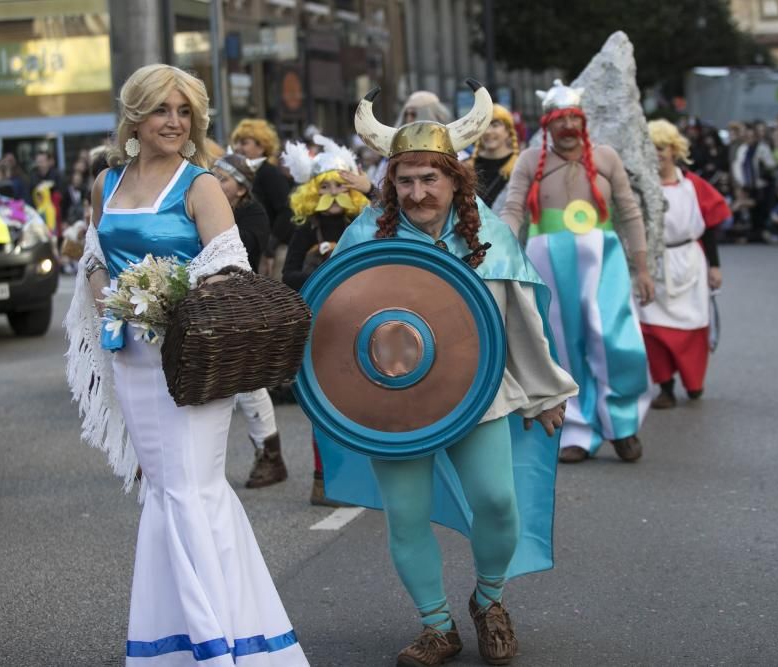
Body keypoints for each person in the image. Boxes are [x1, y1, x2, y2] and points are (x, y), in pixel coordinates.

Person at [319, 82, 577, 666]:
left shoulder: (488, 236)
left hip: (475, 393)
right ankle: (438, 626)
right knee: (406, 516)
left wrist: (542, 390)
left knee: (496, 502)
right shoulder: (366, 236)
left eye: (429, 179)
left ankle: (489, 602)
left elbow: (519, 319)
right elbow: (332, 322)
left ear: (455, 178)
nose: (416, 193)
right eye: (404, 181)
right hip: (392, 401)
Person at [64, 64, 308, 666]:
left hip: (193, 359)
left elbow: (229, 271)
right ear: (135, 118)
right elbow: (94, 253)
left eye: (183, 112)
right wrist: (111, 296)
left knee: (192, 489)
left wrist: (168, 296)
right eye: (160, 111)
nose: (173, 122)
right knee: (165, 489)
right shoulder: (106, 183)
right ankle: (175, 644)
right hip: (131, 361)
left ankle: (217, 642)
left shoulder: (199, 185)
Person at [499, 79, 654, 464]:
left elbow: (630, 211)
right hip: (547, 260)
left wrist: (643, 268)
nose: (567, 127)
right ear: (547, 125)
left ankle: (622, 424)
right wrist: (498, 250)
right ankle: (577, 430)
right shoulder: (530, 160)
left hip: (603, 258)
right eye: (559, 120)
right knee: (561, 345)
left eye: (574, 118)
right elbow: (513, 209)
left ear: (582, 121)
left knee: (614, 338)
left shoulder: (606, 157)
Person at [279, 134, 372, 505]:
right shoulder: (307, 229)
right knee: (324, 404)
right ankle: (325, 481)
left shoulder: (363, 225)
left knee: (362, 401)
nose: (333, 191)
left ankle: (364, 477)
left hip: (360, 321)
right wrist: (325, 272)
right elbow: (288, 275)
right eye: (325, 185)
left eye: (339, 183)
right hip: (320, 325)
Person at [211, 152, 291, 490]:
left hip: (237, 304)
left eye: (223, 179)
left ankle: (270, 456)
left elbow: (241, 253)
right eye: (213, 177)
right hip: (205, 304)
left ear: (241, 188)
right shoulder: (208, 209)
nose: (215, 185)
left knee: (246, 382)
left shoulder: (251, 213)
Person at [642, 121, 730, 409]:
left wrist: (715, 266)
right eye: (650, 148)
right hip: (654, 263)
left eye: (662, 148)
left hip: (689, 261)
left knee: (693, 326)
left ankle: (693, 382)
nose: (657, 154)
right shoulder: (640, 189)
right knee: (651, 329)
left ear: (674, 150)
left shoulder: (693, 185)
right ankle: (665, 387)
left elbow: (711, 227)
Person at [230, 119, 295, 281]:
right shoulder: (244, 173)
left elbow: (286, 211)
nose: (238, 147)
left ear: (261, 147)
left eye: (244, 143)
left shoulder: (269, 173)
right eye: (236, 142)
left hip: (273, 250)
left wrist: (270, 248)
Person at [466, 103, 520, 213]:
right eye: (484, 125)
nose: (488, 131)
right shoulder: (466, 166)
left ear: (508, 131)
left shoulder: (520, 166)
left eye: (495, 125)